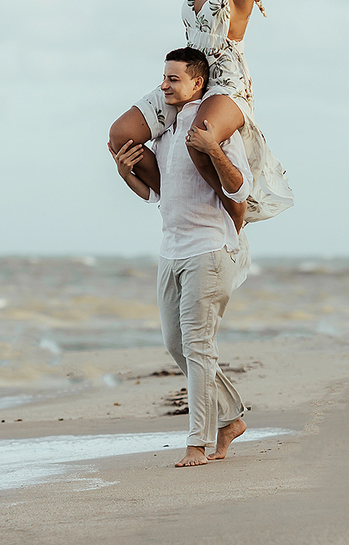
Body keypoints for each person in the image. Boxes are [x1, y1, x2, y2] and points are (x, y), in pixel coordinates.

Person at [107, 0, 294, 232]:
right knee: (122, 135)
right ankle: (175, 197)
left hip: (225, 81)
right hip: (188, 76)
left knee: (199, 138)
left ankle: (233, 214)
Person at [109, 47, 253, 468]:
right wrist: (125, 174)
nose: (164, 86)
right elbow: (156, 194)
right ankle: (231, 418)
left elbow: (239, 188)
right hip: (170, 250)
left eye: (173, 79)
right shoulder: (165, 132)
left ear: (197, 84)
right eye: (163, 78)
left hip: (208, 249)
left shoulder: (212, 128)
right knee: (177, 345)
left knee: (198, 346)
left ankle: (198, 443)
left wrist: (214, 148)